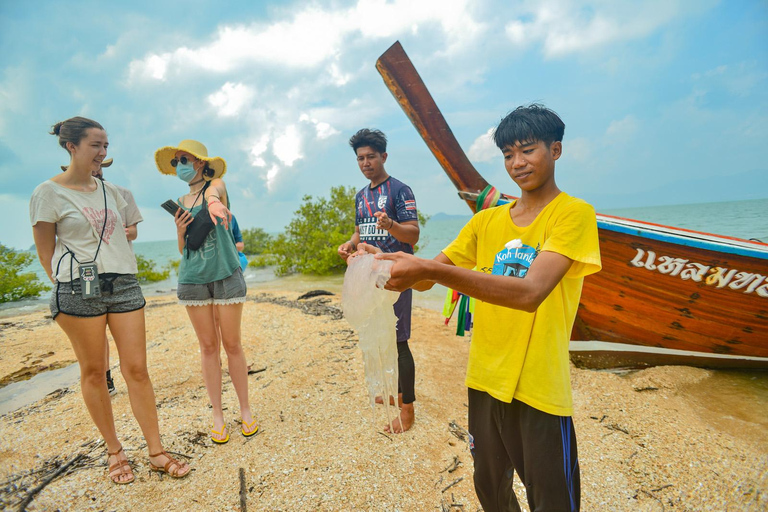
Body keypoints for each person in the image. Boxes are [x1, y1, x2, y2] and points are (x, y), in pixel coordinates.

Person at [357, 105, 601, 511]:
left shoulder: (572, 214)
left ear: (555, 150)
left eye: (528, 150)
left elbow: (530, 293)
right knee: (490, 489)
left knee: (552, 501)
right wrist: (381, 264)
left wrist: (429, 269)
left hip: (540, 387)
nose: (517, 163)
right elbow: (427, 278)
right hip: (484, 379)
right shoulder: (485, 222)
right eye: (508, 154)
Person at [30, 116, 190, 484]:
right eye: (95, 145)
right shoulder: (47, 193)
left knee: (137, 370)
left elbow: (125, 234)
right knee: (94, 372)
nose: (102, 152)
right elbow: (46, 253)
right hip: (78, 289)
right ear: (71, 146)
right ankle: (115, 451)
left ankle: (156, 451)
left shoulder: (113, 192)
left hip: (124, 285)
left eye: (105, 145)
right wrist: (68, 283)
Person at [155, 139, 256, 444]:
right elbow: (184, 250)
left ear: (200, 162)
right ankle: (218, 416)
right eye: (176, 162)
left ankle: (245, 410)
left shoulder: (217, 187)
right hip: (193, 277)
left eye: (184, 160)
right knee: (208, 348)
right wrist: (180, 230)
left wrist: (212, 202)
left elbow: (215, 192)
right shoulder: (179, 201)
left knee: (233, 345)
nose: (180, 166)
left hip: (225, 273)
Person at [337, 128, 420, 434]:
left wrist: (391, 225)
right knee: (378, 334)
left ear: (384, 156)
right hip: (369, 275)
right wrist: (349, 244)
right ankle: (394, 392)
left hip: (396, 274)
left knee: (399, 340)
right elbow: (360, 231)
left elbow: (413, 234)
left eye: (371, 156)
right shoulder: (361, 196)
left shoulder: (400, 190)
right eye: (360, 158)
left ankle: (408, 409)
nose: (365, 163)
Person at [63, 158, 143, 396]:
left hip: (118, 271)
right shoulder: (69, 194)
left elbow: (134, 231)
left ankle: (126, 376)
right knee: (96, 330)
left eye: (98, 164)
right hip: (87, 272)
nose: (94, 168)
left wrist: (114, 231)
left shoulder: (121, 193)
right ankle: (106, 376)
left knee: (124, 334)